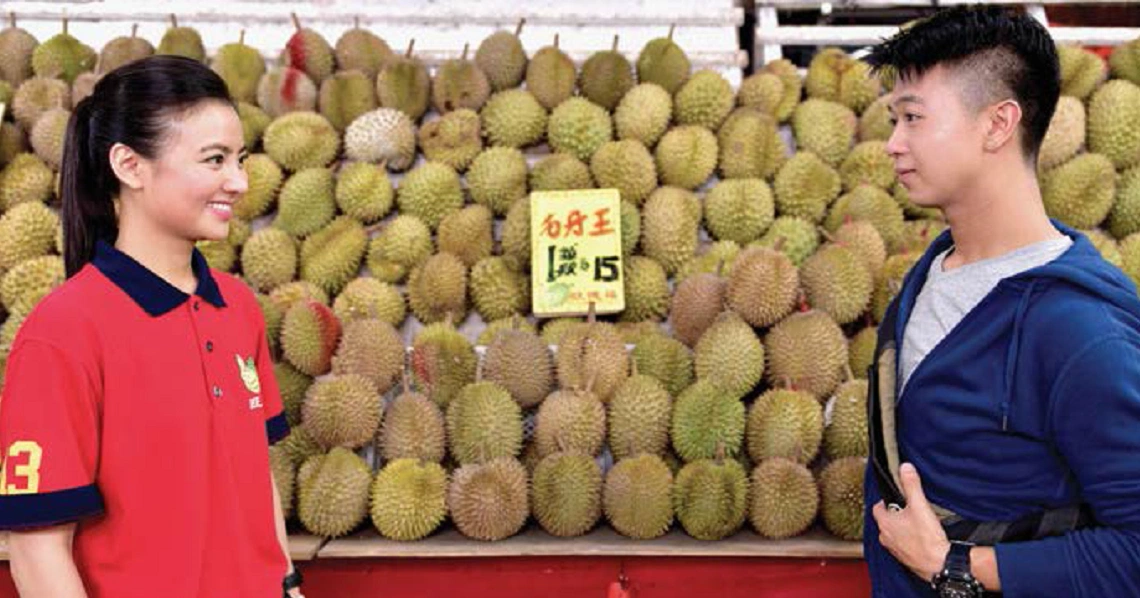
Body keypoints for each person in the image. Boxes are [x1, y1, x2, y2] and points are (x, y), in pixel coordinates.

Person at [861, 6, 1140, 598]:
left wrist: (955, 564)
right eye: (894, 119)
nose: (892, 144)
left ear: (997, 125)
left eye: (913, 118)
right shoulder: (935, 269)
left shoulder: (1079, 333)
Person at [0, 56, 304, 597]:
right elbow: (34, 546)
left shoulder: (238, 308)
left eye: (240, 159)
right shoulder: (63, 332)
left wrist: (289, 585)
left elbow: (256, 479)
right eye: (214, 160)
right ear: (130, 165)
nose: (238, 181)